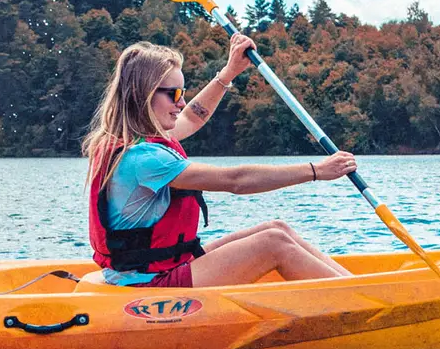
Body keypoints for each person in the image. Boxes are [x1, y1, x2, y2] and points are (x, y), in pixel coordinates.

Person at [83, 39, 357, 288]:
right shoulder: (143, 158)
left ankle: (360, 287)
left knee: (277, 229)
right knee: (274, 244)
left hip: (161, 267)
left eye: (183, 93)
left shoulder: (132, 139)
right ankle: (361, 300)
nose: (182, 103)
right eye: (174, 94)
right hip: (149, 283)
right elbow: (234, 181)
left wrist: (229, 73)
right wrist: (316, 171)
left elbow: (192, 117)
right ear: (144, 95)